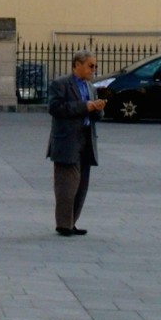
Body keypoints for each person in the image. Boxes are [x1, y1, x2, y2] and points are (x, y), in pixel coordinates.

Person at [47, 50, 106, 236]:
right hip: (67, 141)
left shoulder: (90, 87)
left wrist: (98, 109)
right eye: (90, 65)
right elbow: (55, 108)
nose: (93, 69)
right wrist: (84, 106)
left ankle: (72, 222)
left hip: (86, 139)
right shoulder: (60, 84)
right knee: (66, 185)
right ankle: (63, 224)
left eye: (95, 66)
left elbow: (96, 115)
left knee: (81, 185)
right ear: (77, 64)